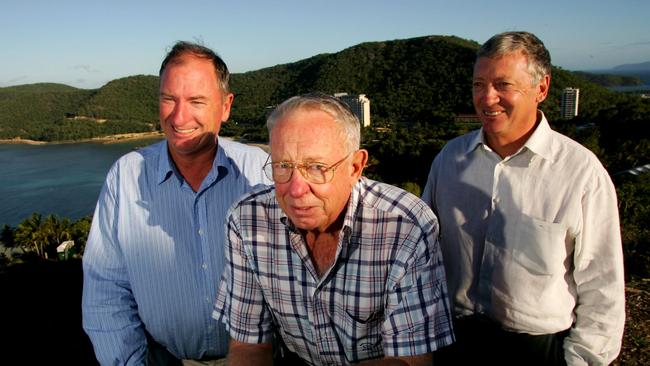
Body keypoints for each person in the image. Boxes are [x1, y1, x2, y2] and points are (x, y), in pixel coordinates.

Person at [422, 31, 625, 366]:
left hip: (536, 350)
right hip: (455, 341)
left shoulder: (580, 172)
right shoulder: (450, 159)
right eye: (478, 84)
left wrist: (581, 361)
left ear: (541, 89)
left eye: (503, 84)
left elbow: (602, 283)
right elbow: (424, 251)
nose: (487, 98)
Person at [213, 93, 454, 365]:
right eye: (283, 166)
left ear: (355, 167)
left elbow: (411, 362)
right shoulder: (247, 220)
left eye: (316, 167)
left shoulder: (405, 227)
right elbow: (249, 346)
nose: (295, 188)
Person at [82, 41, 271, 365]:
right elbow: (106, 293)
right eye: (169, 99)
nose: (179, 116)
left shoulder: (261, 171)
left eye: (196, 101)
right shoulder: (125, 177)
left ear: (225, 106)